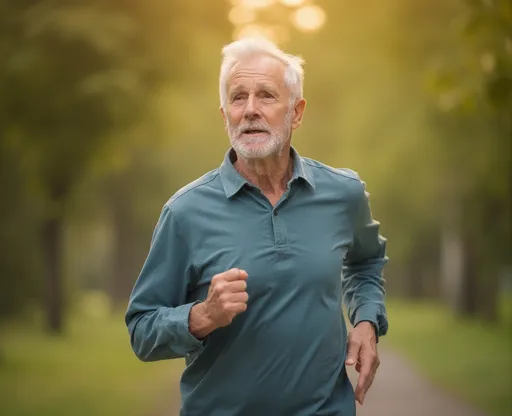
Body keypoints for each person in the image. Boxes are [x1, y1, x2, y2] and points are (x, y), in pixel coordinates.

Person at [125, 37, 388, 416]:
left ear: (296, 113)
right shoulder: (185, 213)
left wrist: (366, 321)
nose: (250, 110)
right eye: (237, 98)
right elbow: (142, 330)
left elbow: (366, 263)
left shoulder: (343, 193)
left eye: (266, 95)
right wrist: (202, 316)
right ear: (224, 115)